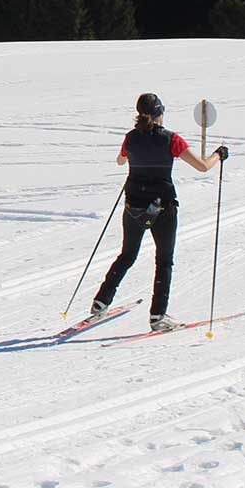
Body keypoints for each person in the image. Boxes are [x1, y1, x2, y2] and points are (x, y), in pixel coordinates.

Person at [89, 92, 226, 332]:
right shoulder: (171, 139)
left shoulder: (130, 138)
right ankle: (158, 316)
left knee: (127, 255)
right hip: (162, 208)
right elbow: (203, 167)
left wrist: (134, 157)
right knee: (164, 261)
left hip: (133, 206)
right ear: (160, 114)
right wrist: (218, 155)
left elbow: (120, 161)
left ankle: (101, 302)